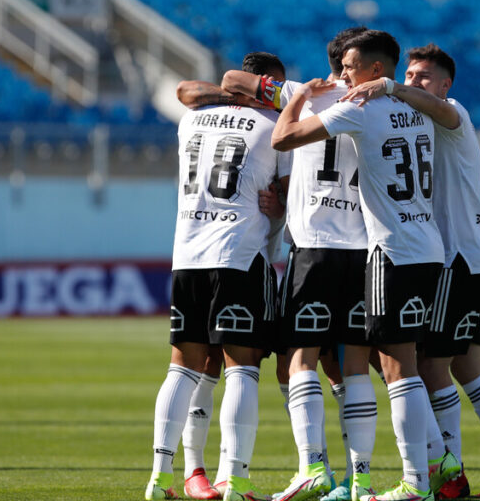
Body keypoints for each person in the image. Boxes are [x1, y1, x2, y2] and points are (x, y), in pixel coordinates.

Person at [342, 44, 480, 498]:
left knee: (429, 362)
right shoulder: (415, 120)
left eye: (423, 76)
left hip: (456, 256)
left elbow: (436, 110)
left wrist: (390, 87)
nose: (413, 81)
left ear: (446, 85)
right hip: (467, 253)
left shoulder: (452, 113)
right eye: (409, 74)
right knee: (468, 365)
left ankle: (452, 473)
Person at [271, 29, 460, 501]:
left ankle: (404, 476)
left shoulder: (353, 105)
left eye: (350, 67)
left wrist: (301, 97)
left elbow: (282, 137)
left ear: (374, 69)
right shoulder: (423, 108)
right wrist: (396, 88)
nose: (343, 74)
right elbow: (449, 115)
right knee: (366, 362)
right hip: (416, 247)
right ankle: (372, 477)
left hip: (377, 250)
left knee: (363, 365)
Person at [222, 26, 379, 501]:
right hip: (364, 250)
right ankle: (361, 478)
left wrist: (295, 93)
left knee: (298, 360)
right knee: (354, 366)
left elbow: (232, 81)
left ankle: (313, 466)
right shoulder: (378, 106)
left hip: (314, 249)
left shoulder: (302, 93)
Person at [144, 51, 290, 501]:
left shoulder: (192, 120)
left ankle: (160, 477)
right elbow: (289, 198)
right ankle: (235, 479)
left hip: (187, 256)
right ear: (263, 85)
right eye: (275, 89)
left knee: (182, 368)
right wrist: (280, 205)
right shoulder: (275, 126)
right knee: (242, 368)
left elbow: (184, 91)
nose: (279, 98)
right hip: (239, 256)